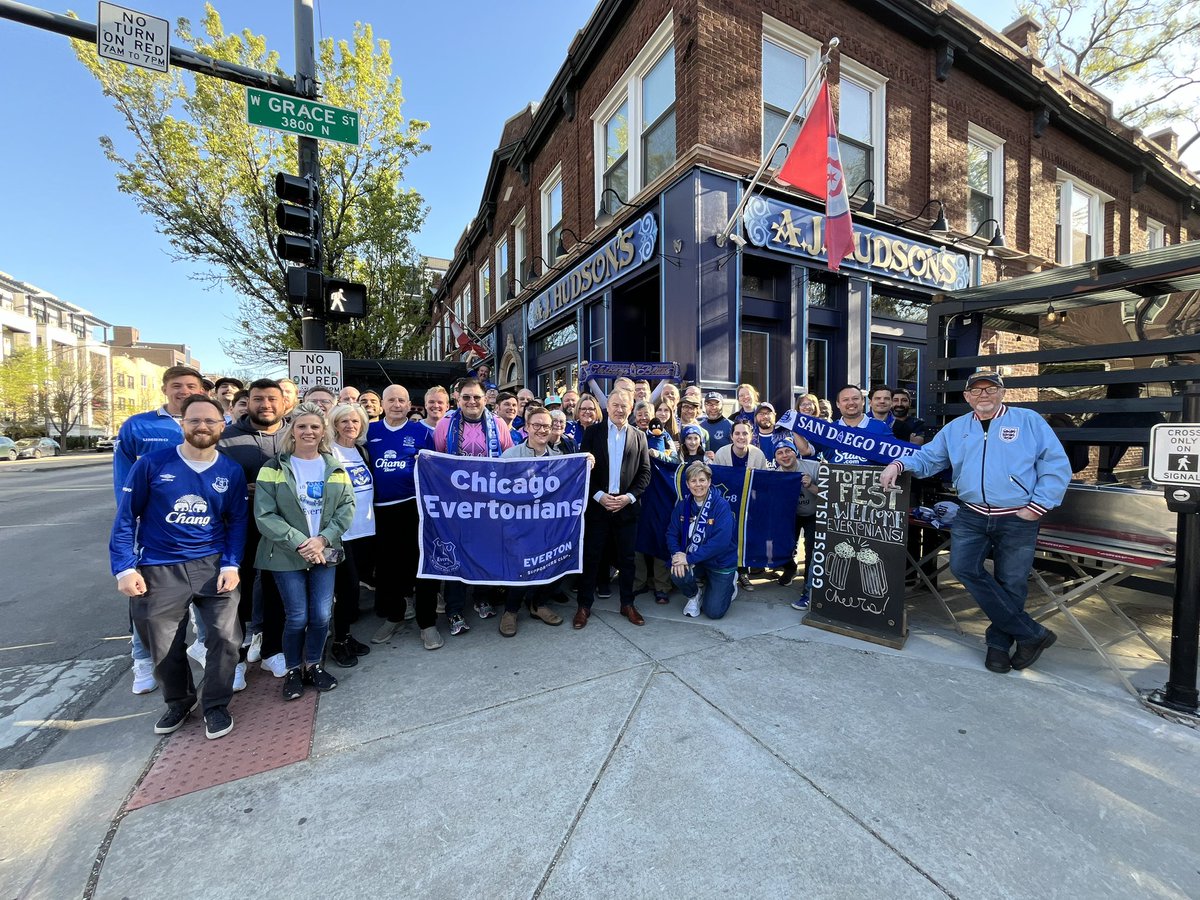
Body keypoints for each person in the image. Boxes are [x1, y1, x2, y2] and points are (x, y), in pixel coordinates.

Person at [880, 371, 1070, 674]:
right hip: (972, 513)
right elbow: (929, 458)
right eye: (976, 390)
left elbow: (1055, 464)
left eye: (990, 389)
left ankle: (998, 644)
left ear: (1002, 393)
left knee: (1012, 582)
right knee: (963, 567)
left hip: (1018, 515)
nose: (983, 395)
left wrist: (1038, 506)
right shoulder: (956, 429)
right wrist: (899, 463)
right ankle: (1031, 634)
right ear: (967, 397)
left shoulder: (1028, 421)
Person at [109, 394, 248, 740]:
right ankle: (180, 701)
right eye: (195, 420)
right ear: (182, 424)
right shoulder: (153, 465)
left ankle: (215, 705)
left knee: (226, 638)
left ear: (221, 425)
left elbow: (237, 522)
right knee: (163, 642)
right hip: (159, 566)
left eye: (210, 421)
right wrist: (125, 568)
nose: (203, 426)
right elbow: (126, 517)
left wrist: (231, 564)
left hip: (213, 564)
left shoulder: (229, 470)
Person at [112, 364, 209, 695]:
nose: (185, 391)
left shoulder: (207, 423)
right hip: (154, 530)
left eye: (192, 386)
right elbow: (123, 479)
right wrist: (130, 519)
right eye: (178, 385)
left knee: (207, 595)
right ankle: (142, 657)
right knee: (148, 602)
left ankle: (203, 647)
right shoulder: (139, 425)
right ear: (165, 389)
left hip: (201, 527)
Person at [254, 402, 355, 700]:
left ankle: (314, 664)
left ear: (323, 431)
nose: (308, 431)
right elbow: (264, 514)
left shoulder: (333, 466)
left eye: (314, 426)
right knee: (297, 616)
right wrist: (301, 541)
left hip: (325, 552)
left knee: (322, 615)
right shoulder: (272, 467)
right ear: (292, 431)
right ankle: (292, 669)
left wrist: (323, 540)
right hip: (288, 554)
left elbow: (347, 508)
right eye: (302, 426)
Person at [218, 379, 290, 677]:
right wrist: (241, 491)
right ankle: (234, 660)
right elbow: (216, 482)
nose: (266, 405)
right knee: (238, 591)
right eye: (259, 399)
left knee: (276, 587)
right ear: (248, 402)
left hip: (284, 526)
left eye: (273, 398)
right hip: (241, 525)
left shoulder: (295, 433)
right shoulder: (227, 438)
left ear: (284, 402)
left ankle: (273, 649)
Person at [433, 378, 515, 632]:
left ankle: (482, 597)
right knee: (457, 553)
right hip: (456, 505)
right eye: (466, 397)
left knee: (485, 552)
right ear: (458, 399)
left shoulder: (498, 424)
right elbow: (436, 461)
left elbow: (509, 460)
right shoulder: (444, 425)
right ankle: (455, 609)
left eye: (476, 397)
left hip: (489, 504)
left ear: (485, 399)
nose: (471, 402)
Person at [368, 384, 441, 649]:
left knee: (421, 567)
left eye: (401, 400)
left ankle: (427, 623)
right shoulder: (369, 431)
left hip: (414, 508)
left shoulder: (422, 432)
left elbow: (437, 467)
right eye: (391, 400)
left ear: (409, 404)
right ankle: (394, 616)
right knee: (388, 569)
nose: (396, 404)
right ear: (382, 405)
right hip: (380, 510)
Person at [574, 388, 651, 629]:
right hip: (598, 507)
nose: (619, 409)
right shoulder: (593, 432)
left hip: (626, 508)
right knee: (592, 557)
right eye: (615, 405)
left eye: (624, 406)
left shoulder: (639, 436)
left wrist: (628, 497)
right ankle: (584, 605)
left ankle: (627, 603)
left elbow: (645, 473)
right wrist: (598, 496)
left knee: (627, 560)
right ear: (608, 407)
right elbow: (583, 468)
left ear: (631, 408)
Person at [497, 406, 569, 636]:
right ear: (526, 427)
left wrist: (587, 460)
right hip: (518, 525)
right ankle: (511, 610)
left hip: (548, 525)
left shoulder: (560, 459)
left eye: (546, 426)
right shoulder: (510, 456)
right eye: (536, 425)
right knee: (521, 567)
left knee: (553, 562)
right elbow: (498, 490)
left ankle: (539, 604)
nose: (541, 430)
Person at [327, 403, 375, 667]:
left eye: (355, 422)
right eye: (344, 421)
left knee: (353, 590)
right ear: (334, 424)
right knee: (344, 589)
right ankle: (337, 642)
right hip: (339, 534)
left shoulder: (361, 451)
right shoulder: (327, 453)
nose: (350, 426)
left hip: (365, 530)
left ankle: (345, 636)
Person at [667, 462, 738, 619]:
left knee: (714, 612)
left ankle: (729, 584)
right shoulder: (683, 505)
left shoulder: (721, 506)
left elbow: (720, 543)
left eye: (702, 480)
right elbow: (671, 533)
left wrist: (688, 558)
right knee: (676, 570)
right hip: (695, 560)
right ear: (687, 484)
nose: (698, 485)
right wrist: (677, 554)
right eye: (693, 481)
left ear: (709, 482)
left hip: (720, 563)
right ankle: (694, 595)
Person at [768, 437, 821, 608]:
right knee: (780, 543)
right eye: (780, 453)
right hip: (791, 515)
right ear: (775, 458)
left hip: (814, 513)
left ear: (795, 452)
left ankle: (809, 590)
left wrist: (811, 486)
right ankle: (790, 568)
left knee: (812, 550)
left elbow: (831, 496)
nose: (784, 455)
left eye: (788, 451)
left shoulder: (813, 467)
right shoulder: (776, 476)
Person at [828, 384, 894, 464]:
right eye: (845, 400)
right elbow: (810, 452)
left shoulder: (880, 427)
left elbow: (896, 455)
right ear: (838, 404)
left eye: (855, 398)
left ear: (863, 401)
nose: (851, 403)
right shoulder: (829, 430)